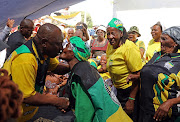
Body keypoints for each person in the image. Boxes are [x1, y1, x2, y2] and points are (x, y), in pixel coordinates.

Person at [3, 23, 70, 121]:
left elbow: (56, 67)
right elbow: (27, 97)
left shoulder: (43, 52)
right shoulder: (26, 59)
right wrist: (58, 101)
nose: (61, 48)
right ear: (44, 43)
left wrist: (73, 64)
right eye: (58, 44)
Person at [60, 36, 132, 122]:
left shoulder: (81, 74)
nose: (63, 48)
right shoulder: (84, 69)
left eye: (67, 46)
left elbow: (85, 113)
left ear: (73, 52)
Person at [139, 26, 180, 122]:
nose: (160, 41)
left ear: (175, 43)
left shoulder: (178, 62)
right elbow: (151, 72)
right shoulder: (156, 55)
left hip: (162, 114)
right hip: (144, 110)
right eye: (161, 38)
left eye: (164, 39)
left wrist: (170, 102)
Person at [106, 18, 143, 118]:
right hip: (117, 90)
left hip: (129, 92)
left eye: (113, 33)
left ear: (121, 33)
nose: (110, 37)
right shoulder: (110, 46)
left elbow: (138, 75)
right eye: (108, 33)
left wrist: (131, 100)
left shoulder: (129, 48)